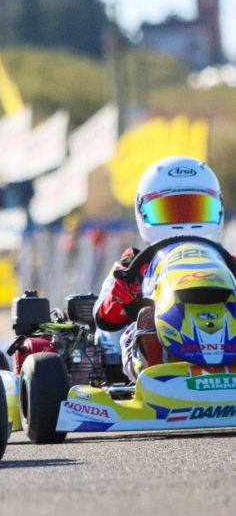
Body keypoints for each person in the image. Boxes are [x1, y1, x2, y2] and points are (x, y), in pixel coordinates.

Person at [94, 156, 224, 381]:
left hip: (224, 342)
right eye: (170, 211)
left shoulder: (226, 262)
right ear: (143, 211)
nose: (184, 221)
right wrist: (122, 296)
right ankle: (155, 380)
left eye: (195, 210)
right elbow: (105, 320)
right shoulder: (131, 265)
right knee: (146, 320)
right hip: (161, 356)